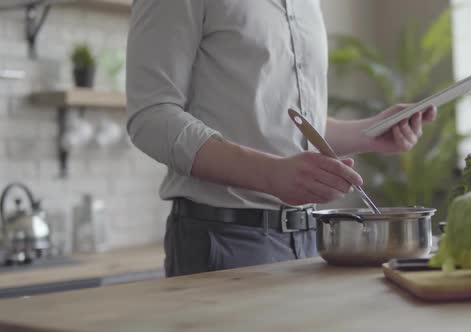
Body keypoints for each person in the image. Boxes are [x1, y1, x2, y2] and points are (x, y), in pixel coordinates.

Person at [125, 0, 437, 278]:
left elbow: (288, 128)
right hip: (223, 239)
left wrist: (371, 132)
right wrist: (272, 174)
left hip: (310, 242)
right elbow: (151, 116)